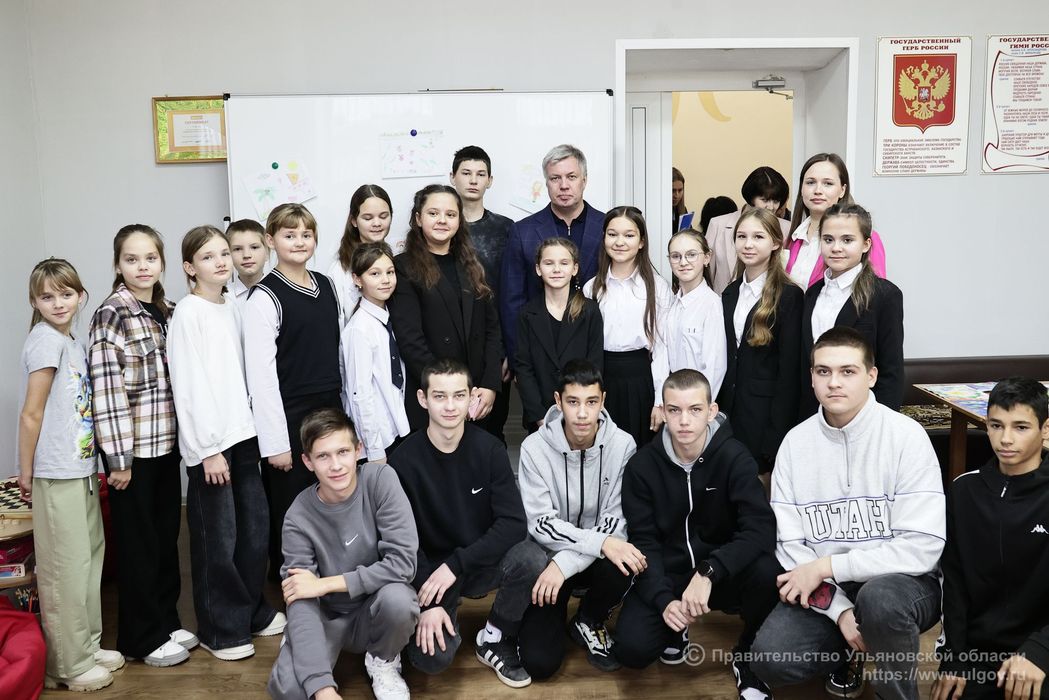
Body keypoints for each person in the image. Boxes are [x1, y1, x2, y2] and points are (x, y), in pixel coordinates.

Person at [750, 327, 944, 700]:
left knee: (879, 601)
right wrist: (839, 611)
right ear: (811, 377)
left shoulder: (907, 437)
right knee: (770, 659)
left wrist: (827, 566)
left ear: (871, 376)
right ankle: (848, 649)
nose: (834, 382)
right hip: (830, 587)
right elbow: (789, 545)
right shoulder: (794, 444)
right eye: (823, 371)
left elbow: (922, 549)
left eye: (847, 371)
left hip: (901, 584)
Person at [615, 369, 781, 700]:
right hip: (671, 574)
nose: (684, 421)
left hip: (721, 573)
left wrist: (710, 570)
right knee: (632, 650)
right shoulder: (642, 467)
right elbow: (644, 542)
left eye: (694, 410)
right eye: (674, 410)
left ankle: (747, 653)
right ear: (662, 412)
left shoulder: (735, 457)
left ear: (711, 411)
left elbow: (760, 528)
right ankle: (676, 626)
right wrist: (663, 600)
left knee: (768, 572)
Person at [391, 359, 546, 688]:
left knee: (531, 557)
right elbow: (401, 542)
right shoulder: (403, 461)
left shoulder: (489, 449)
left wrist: (457, 564)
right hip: (432, 574)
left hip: (476, 562)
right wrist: (428, 599)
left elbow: (513, 524)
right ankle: (429, 619)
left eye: (459, 395)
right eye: (440, 396)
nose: (450, 406)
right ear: (422, 399)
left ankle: (495, 637)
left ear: (472, 397)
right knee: (431, 660)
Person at [167, 226, 283, 662]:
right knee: (219, 539)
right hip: (213, 445)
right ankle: (220, 629)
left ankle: (251, 612)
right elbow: (188, 387)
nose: (220, 262)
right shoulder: (188, 314)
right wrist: (208, 450)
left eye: (223, 254)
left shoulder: (234, 303)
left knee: (253, 533)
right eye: (208, 257)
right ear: (189, 267)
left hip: (244, 434)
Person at [88, 225, 195, 667]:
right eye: (131, 259)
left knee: (166, 538)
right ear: (118, 265)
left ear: (162, 262)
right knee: (139, 546)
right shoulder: (112, 313)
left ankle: (165, 621)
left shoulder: (166, 311)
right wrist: (118, 459)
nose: (142, 266)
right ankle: (141, 637)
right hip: (133, 453)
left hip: (166, 443)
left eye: (150, 258)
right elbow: (106, 391)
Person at [19, 259, 123, 692]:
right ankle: (66, 664)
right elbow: (31, 414)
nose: (58, 303)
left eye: (66, 294)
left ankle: (86, 645)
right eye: (47, 296)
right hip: (56, 472)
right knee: (64, 568)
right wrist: (26, 472)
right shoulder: (45, 341)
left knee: (87, 561)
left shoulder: (71, 342)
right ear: (35, 301)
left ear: (81, 296)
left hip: (80, 469)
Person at [268, 408, 419, 700]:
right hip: (325, 616)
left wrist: (324, 583)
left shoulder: (380, 480)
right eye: (323, 456)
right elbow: (301, 597)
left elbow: (403, 564)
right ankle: (300, 642)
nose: (336, 465)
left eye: (343, 452)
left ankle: (383, 660)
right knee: (289, 690)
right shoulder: (298, 517)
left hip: (375, 607)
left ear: (358, 450)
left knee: (400, 601)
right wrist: (322, 688)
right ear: (308, 462)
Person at [516, 359, 639, 677]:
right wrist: (562, 561)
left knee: (626, 557)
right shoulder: (533, 448)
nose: (583, 414)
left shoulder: (623, 445)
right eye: (573, 402)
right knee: (539, 664)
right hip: (550, 561)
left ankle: (589, 619)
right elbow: (541, 523)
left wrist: (567, 563)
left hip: (587, 562)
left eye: (591, 402)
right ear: (558, 401)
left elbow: (615, 521)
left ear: (603, 401)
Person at [933, 377, 1049, 700]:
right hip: (980, 656)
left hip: (1042, 650)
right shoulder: (963, 491)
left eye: (1021, 427)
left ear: (1045, 429)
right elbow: (953, 583)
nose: (1005, 439)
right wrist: (954, 659)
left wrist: (1039, 651)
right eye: (996, 425)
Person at [244, 203, 343, 579]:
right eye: (289, 235)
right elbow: (262, 378)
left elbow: (337, 354)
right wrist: (276, 443)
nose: (299, 242)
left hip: (330, 407)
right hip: (289, 415)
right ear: (271, 241)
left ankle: (328, 576)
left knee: (330, 495)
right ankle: (291, 581)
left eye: (306, 235)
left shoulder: (327, 285)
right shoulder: (264, 297)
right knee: (290, 504)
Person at [387, 184, 503, 437]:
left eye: (450, 214)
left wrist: (489, 384)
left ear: (459, 221)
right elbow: (410, 340)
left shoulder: (472, 264)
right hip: (434, 396)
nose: (442, 220)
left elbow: (492, 329)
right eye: (433, 213)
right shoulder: (403, 267)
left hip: (477, 395)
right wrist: (448, 393)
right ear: (418, 218)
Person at [717, 208, 802, 473]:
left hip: (765, 416)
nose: (748, 244)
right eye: (741, 236)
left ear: (775, 243)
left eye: (758, 237)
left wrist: (776, 434)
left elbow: (789, 373)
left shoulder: (789, 296)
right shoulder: (730, 293)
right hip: (729, 413)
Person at [500, 144, 605, 359]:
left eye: (571, 177)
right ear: (546, 183)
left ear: (584, 180)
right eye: (555, 178)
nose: (564, 185)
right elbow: (512, 301)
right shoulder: (523, 231)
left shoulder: (607, 228)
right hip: (539, 351)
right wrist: (516, 357)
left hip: (595, 348)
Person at [800, 203, 904, 415]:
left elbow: (891, 370)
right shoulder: (811, 294)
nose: (836, 248)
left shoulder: (884, 295)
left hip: (862, 413)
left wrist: (880, 421)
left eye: (847, 240)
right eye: (828, 239)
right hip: (812, 412)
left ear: (866, 244)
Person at [583, 206, 673, 447]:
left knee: (640, 449)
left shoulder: (657, 288)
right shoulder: (592, 288)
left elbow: (662, 348)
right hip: (602, 376)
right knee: (603, 449)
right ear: (604, 238)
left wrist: (659, 401)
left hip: (641, 378)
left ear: (641, 242)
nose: (619, 242)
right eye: (612, 234)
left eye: (629, 235)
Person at [449, 145, 515, 443]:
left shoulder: (506, 229)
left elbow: (513, 294)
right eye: (466, 173)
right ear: (452, 177)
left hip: (493, 343)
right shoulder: (441, 226)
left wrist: (509, 351)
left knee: (492, 426)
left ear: (490, 180)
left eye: (480, 174)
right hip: (451, 343)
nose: (473, 180)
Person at [513, 237, 603, 431]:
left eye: (564, 263)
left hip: (581, 414)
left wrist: (582, 410)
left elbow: (595, 365)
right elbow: (524, 368)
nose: (556, 269)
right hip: (541, 416)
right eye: (548, 263)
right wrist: (539, 417)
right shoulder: (527, 314)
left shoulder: (590, 311)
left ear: (575, 268)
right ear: (538, 269)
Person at [340, 242, 410, 463]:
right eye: (375, 274)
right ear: (357, 279)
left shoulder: (389, 316)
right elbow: (359, 394)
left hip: (396, 426)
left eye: (390, 272)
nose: (386, 280)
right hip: (378, 439)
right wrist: (375, 450)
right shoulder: (359, 329)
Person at [785, 153, 887, 289]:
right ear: (801, 189)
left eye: (828, 183)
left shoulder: (865, 237)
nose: (817, 190)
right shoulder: (794, 238)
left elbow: (876, 293)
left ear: (842, 190)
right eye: (810, 182)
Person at [653, 229, 727, 406]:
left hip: (697, 402)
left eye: (691, 255)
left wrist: (700, 406)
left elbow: (714, 366)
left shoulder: (712, 305)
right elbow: (662, 355)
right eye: (676, 256)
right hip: (673, 399)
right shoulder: (672, 304)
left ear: (707, 258)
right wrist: (661, 401)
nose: (683, 262)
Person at [705, 166, 791, 293]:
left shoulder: (786, 228)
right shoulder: (718, 224)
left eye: (776, 201)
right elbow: (707, 273)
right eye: (765, 200)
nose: (771, 207)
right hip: (723, 300)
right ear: (750, 198)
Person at [327, 184, 393, 326]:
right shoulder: (340, 269)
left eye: (383, 216)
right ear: (354, 221)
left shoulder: (396, 258)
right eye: (368, 218)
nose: (377, 223)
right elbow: (336, 322)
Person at [226, 218, 268, 307]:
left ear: (267, 253)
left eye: (254, 247)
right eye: (237, 249)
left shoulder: (281, 294)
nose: (246, 255)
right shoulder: (222, 297)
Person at [671, 167, 688, 233]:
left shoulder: (683, 210)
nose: (677, 195)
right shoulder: (660, 212)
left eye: (680, 190)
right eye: (673, 190)